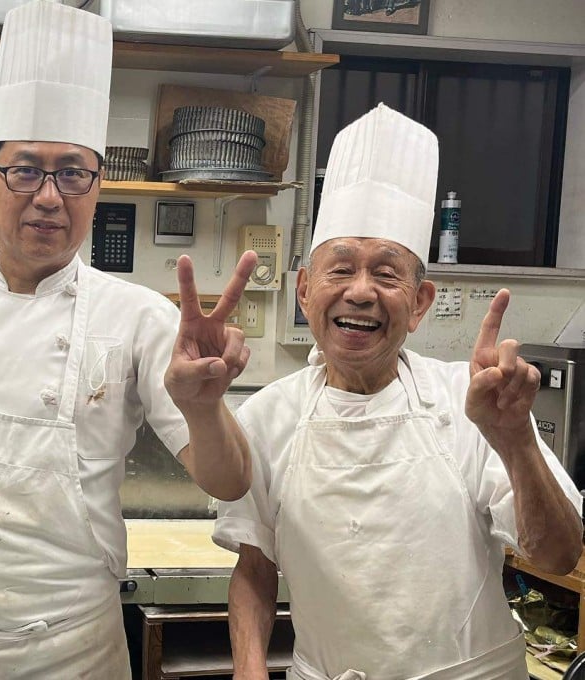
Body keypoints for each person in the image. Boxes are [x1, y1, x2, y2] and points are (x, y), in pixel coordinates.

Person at [0, 2, 255, 678]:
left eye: (73, 172)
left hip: (70, 652)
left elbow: (230, 480)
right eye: (25, 170)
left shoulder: (139, 317)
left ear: (97, 184)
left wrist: (205, 408)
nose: (50, 197)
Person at [214, 103, 583, 680]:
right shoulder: (265, 418)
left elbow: (558, 554)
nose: (361, 292)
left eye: (387, 274)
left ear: (419, 303)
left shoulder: (473, 403)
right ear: (306, 292)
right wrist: (249, 671)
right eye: (340, 270)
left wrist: (516, 442)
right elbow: (255, 569)